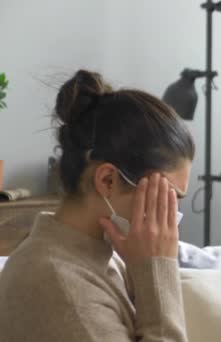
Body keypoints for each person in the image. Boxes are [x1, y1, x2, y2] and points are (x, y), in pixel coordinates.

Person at [0, 70, 195, 341]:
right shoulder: (56, 283)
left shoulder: (102, 256)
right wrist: (158, 270)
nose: (171, 218)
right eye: (166, 196)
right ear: (108, 180)